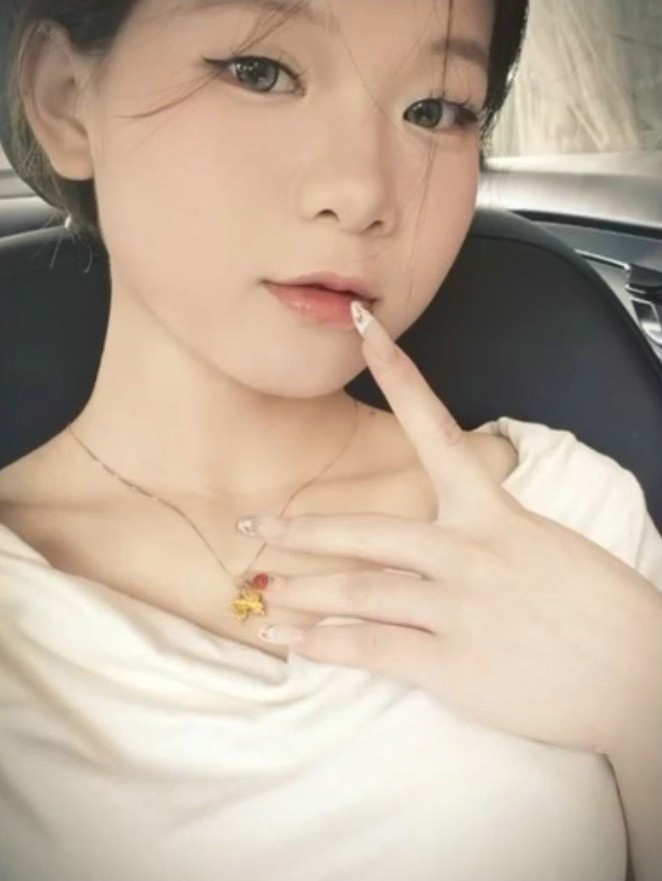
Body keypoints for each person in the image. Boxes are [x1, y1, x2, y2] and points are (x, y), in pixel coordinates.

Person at [0, 1, 660, 880]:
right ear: (64, 96)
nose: (362, 193)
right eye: (260, 72)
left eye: (434, 109)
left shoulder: (568, 513)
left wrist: (645, 692)